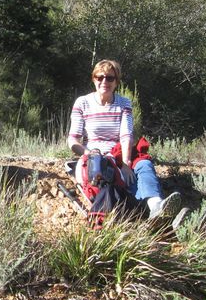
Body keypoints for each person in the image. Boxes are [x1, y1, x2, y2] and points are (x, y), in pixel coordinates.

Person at [68, 59, 181, 219]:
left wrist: (126, 163)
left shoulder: (124, 103)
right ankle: (144, 210)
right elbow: (73, 140)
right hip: (96, 155)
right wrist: (89, 153)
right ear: (94, 79)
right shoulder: (83, 103)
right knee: (112, 176)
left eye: (110, 78)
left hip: (120, 152)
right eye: (100, 77)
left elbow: (126, 135)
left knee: (143, 164)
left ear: (116, 82)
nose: (104, 81)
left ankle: (156, 205)